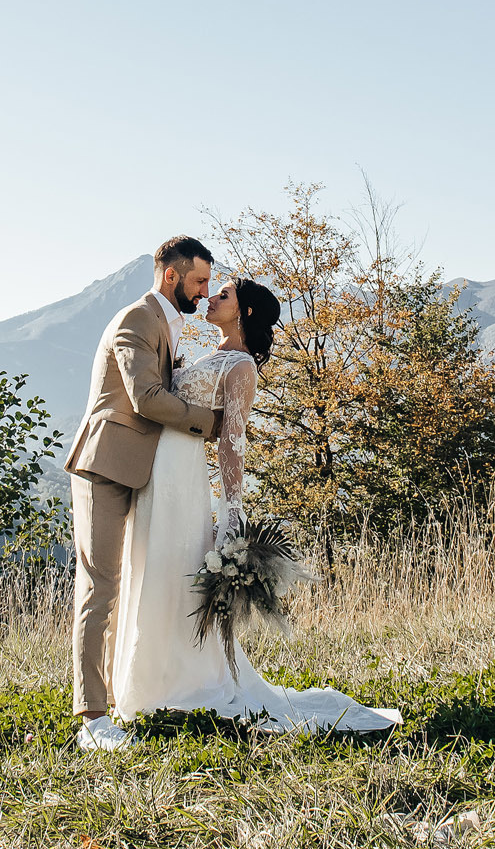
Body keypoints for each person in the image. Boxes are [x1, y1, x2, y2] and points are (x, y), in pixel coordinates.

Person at [107, 273, 399, 740]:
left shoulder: (241, 367)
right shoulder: (214, 356)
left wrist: (232, 511)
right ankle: (147, 679)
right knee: (154, 565)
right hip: (160, 468)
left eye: (223, 295)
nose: (212, 298)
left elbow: (232, 441)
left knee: (172, 567)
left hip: (184, 476)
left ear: (242, 312)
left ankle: (179, 681)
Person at [64, 235, 224, 751]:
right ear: (171, 275)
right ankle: (91, 714)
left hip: (142, 471)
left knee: (130, 582)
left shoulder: (168, 325)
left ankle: (123, 693)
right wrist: (209, 422)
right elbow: (146, 397)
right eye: (199, 281)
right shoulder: (137, 319)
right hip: (106, 466)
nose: (205, 293)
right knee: (100, 586)